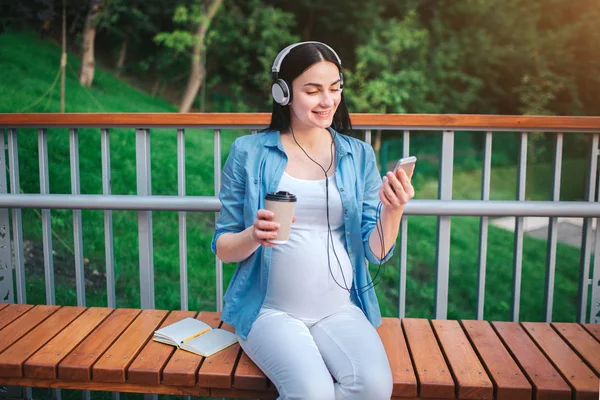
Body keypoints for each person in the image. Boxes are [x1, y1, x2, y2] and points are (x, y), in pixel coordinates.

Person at [212, 41, 414, 400]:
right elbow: (224, 248)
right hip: (269, 312)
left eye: (335, 88)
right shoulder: (248, 152)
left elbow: (377, 254)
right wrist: (254, 235)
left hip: (339, 310)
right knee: (313, 393)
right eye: (313, 90)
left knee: (374, 388)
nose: (327, 101)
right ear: (283, 92)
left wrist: (393, 210)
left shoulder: (358, 154)